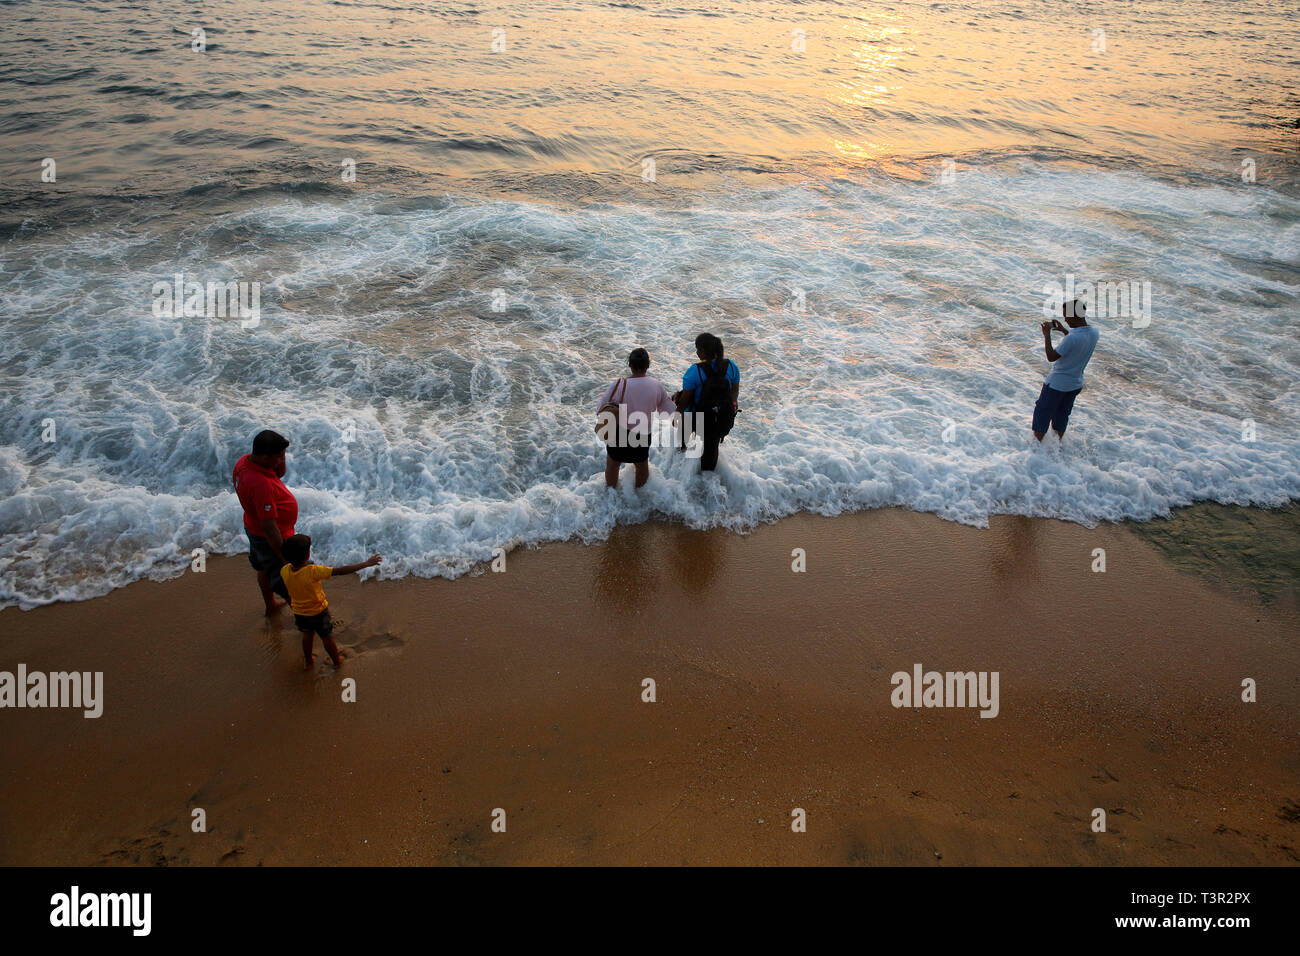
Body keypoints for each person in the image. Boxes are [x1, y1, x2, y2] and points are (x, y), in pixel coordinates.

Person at [279, 534, 382, 670]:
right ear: (308, 554)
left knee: (307, 635)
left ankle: (309, 661)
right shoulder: (313, 571)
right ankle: (336, 661)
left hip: (299, 612)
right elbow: (339, 571)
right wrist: (366, 564)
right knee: (327, 637)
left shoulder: (284, 571)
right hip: (318, 612)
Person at [232, 430, 298, 616]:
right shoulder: (259, 483)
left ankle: (270, 606)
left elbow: (280, 472)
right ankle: (307, 620)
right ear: (264, 456)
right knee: (289, 583)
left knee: (263, 568)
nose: (281, 460)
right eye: (278, 457)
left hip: (253, 528)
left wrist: (280, 456)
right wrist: (286, 557)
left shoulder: (244, 461)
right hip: (270, 536)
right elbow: (269, 527)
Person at [596, 347, 677, 489]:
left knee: (613, 464)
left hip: (619, 433)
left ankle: (610, 495)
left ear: (630, 365)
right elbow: (668, 413)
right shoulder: (655, 385)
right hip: (642, 434)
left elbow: (601, 409)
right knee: (641, 466)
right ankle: (640, 497)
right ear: (648, 366)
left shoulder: (619, 384)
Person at [1033, 298, 1100, 442]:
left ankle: (1035, 450)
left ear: (1075, 316)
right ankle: (1057, 450)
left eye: (1066, 316)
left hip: (1057, 384)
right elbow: (1077, 343)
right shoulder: (1094, 333)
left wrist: (1047, 335)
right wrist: (1064, 331)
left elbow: (1051, 357)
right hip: (1075, 384)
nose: (1065, 319)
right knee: (1061, 417)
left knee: (1041, 417)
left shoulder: (1072, 338)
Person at [674, 333, 740, 471]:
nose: (697, 352)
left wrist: (677, 415)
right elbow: (734, 392)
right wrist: (732, 406)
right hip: (720, 418)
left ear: (704, 351)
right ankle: (707, 483)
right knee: (711, 451)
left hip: (697, 418)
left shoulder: (695, 371)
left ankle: (678, 465)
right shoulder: (731, 366)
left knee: (682, 440)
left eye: (698, 349)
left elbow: (685, 401)